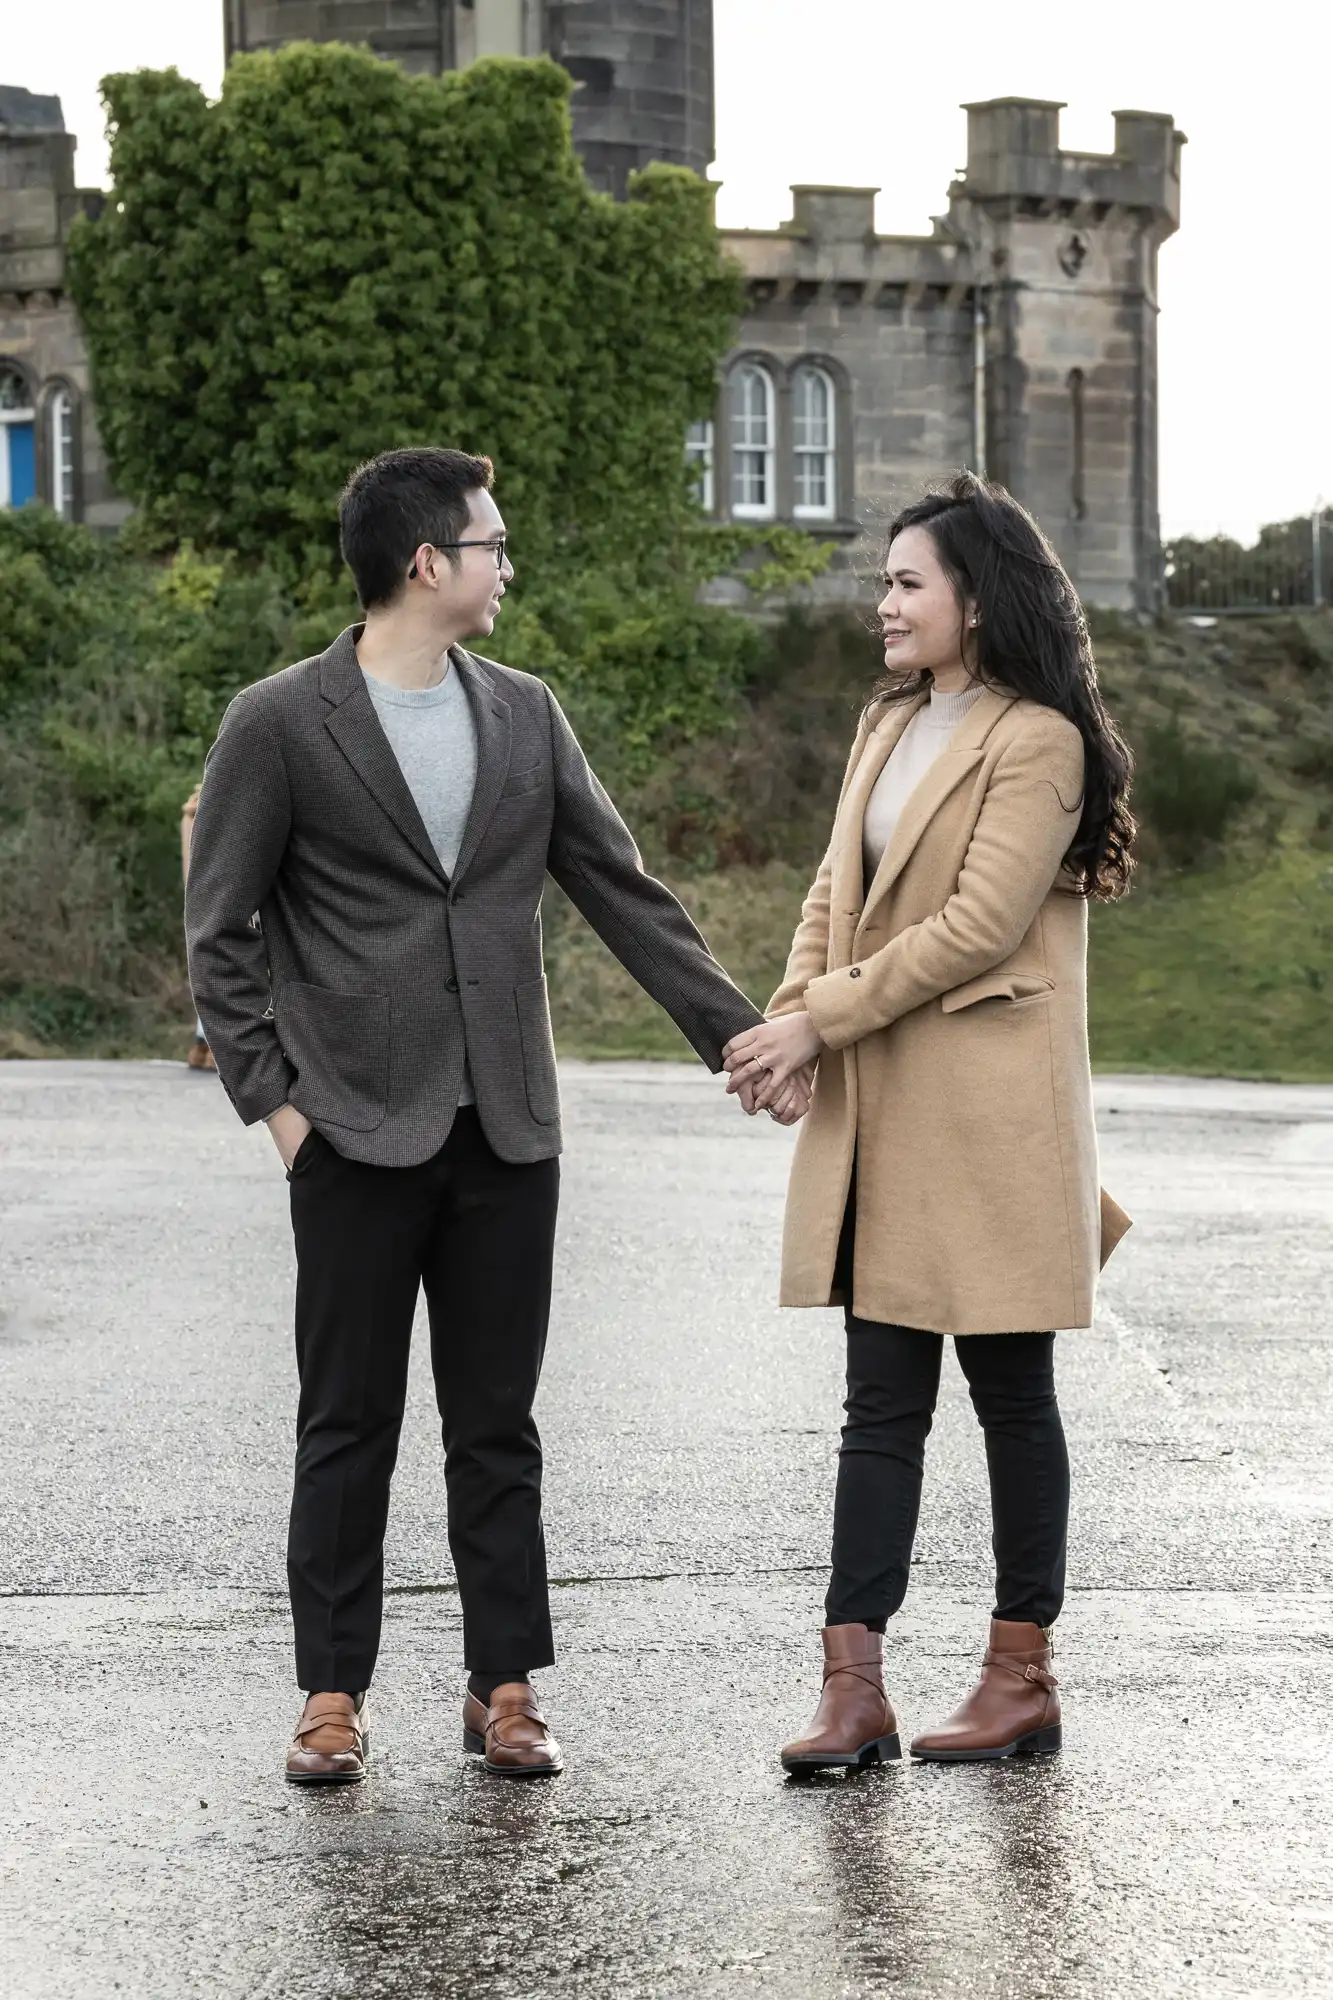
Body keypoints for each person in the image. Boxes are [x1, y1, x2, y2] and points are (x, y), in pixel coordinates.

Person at [185, 446, 807, 1786]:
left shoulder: (526, 714)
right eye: (490, 544)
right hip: (350, 1129)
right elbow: (220, 929)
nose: (506, 564)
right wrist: (278, 1110)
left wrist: (739, 1036)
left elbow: (619, 888)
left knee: (496, 1423)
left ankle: (504, 1687)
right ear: (426, 563)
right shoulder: (281, 722)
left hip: (508, 1129)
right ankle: (331, 1694)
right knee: (346, 1420)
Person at [721, 472, 1134, 1771]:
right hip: (885, 1103)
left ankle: (1020, 1676)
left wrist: (818, 1022)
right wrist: (794, 1018)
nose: (882, 604)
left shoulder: (1039, 741)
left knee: (1012, 1394)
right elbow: (829, 890)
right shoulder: (885, 720)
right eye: (884, 581)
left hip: (996, 1115)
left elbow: (977, 928)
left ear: (974, 595)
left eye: (906, 582)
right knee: (877, 1403)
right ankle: (853, 1690)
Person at [179, 785, 215, 1070]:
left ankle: (200, 1046)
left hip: (195, 896)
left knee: (206, 972)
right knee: (220, 972)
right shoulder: (211, 811)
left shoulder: (190, 813)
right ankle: (211, 1047)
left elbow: (187, 867)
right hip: (215, 895)